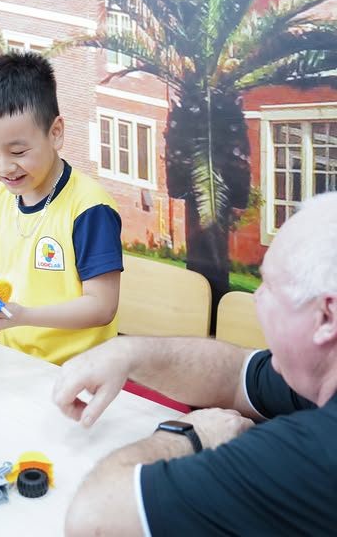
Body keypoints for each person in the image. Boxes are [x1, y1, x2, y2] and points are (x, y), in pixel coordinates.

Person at [53, 191, 337, 536]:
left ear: (326, 317)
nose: (257, 299)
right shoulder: (319, 375)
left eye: (270, 288)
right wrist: (128, 353)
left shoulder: (315, 454)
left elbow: (94, 518)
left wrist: (188, 437)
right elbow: (238, 374)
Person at [0, 52, 123, 365]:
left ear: (55, 133)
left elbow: (101, 306)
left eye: (18, 152)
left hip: (82, 369)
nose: (4, 167)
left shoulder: (89, 208)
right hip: (13, 361)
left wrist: (24, 316)